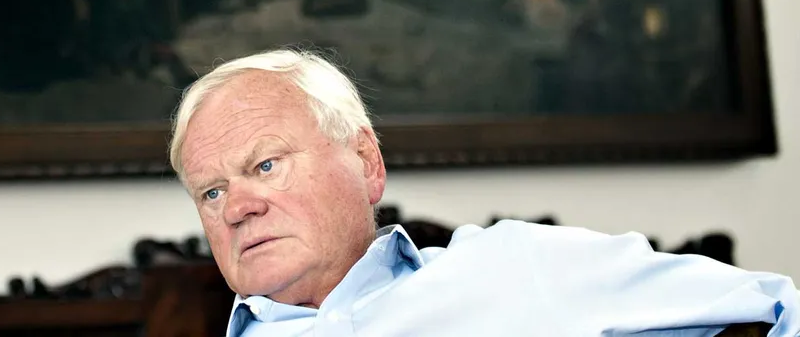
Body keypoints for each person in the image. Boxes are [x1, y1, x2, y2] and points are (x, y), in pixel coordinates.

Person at [169, 48, 800, 336]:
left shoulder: (518, 268)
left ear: (365, 162)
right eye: (212, 193)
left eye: (266, 165)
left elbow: (779, 307)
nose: (239, 208)